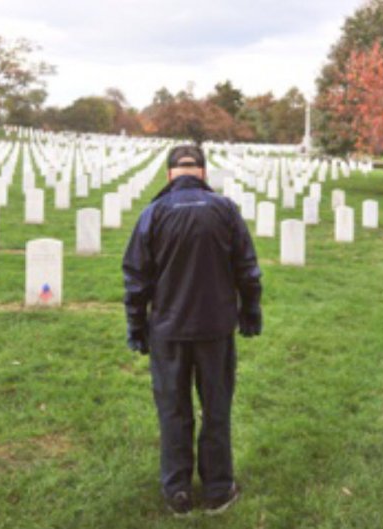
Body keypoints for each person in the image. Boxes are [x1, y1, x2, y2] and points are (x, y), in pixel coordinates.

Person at [122, 144, 262, 517]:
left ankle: (178, 491)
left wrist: (136, 326)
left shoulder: (153, 214)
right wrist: (251, 311)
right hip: (215, 329)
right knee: (216, 408)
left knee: (173, 409)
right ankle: (218, 489)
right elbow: (247, 268)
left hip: (168, 329)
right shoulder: (225, 210)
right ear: (202, 171)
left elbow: (136, 279)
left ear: (171, 173)